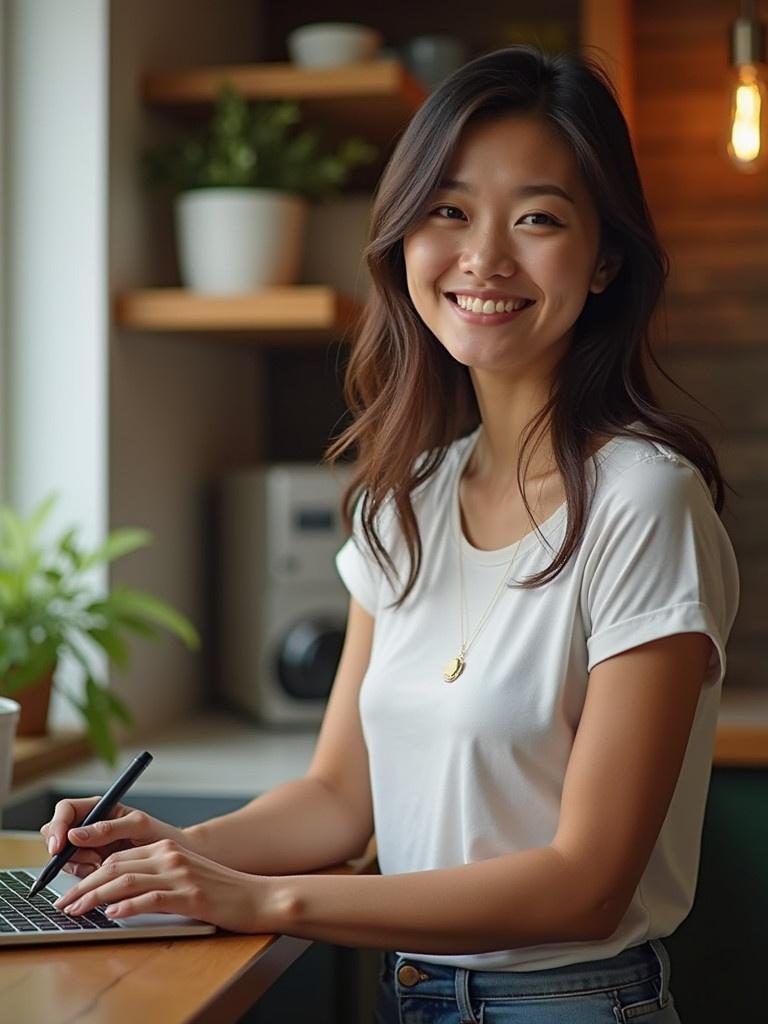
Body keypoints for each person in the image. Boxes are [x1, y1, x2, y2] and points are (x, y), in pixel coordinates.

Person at [42, 45, 739, 1023]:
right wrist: (170, 846)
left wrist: (267, 900)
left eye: (537, 218)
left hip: (573, 1004)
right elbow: (337, 795)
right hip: (410, 995)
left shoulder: (646, 503)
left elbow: (588, 882)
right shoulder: (401, 499)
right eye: (448, 210)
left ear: (605, 259)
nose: (484, 256)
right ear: (405, 235)